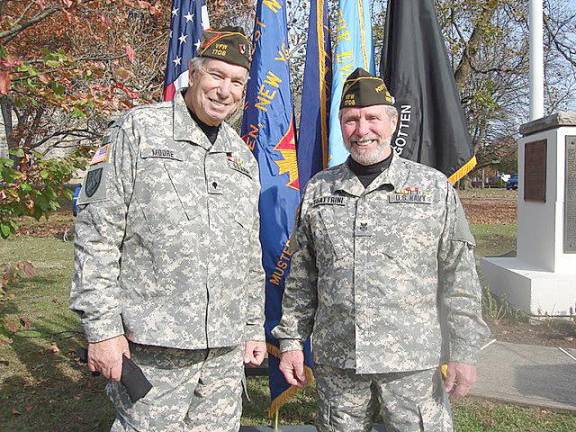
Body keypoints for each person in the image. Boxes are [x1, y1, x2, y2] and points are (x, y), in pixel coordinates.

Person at [70, 27, 266, 432]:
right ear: (193, 75)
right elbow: (97, 235)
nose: (224, 90)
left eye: (236, 81)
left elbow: (249, 253)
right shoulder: (137, 130)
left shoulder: (241, 156)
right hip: (154, 347)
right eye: (216, 75)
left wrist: (252, 328)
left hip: (223, 354)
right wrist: (103, 331)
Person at [272, 68, 490, 432]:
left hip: (411, 365)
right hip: (340, 363)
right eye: (351, 120)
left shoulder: (432, 188)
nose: (362, 130)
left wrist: (465, 351)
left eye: (372, 118)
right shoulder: (318, 190)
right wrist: (292, 341)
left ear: (392, 123)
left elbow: (460, 275)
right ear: (341, 126)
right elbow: (302, 277)